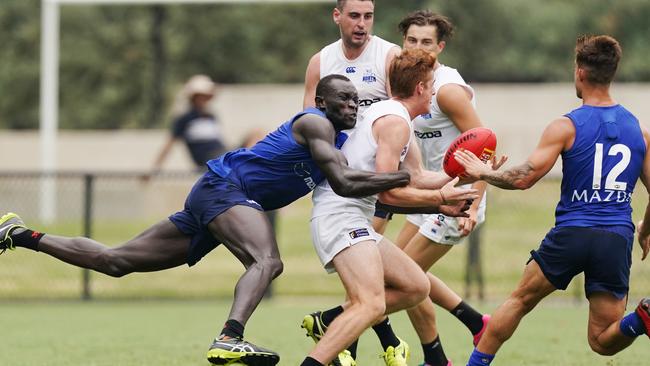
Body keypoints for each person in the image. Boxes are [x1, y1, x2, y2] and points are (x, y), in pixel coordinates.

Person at [0, 75, 435, 366]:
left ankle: (19, 234)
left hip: (219, 196)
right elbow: (343, 181)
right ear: (322, 101)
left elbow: (362, 183)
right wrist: (407, 175)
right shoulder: (315, 123)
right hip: (227, 190)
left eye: (357, 101)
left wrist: (432, 199)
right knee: (267, 261)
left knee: (117, 261)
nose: (352, 107)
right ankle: (230, 337)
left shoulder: (339, 137)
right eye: (344, 99)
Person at [453, 35, 650, 366]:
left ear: (580, 73)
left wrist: (482, 171)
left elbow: (525, 177)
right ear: (612, 72)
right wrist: (644, 232)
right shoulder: (640, 132)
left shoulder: (566, 125)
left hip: (572, 234)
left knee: (519, 301)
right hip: (616, 238)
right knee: (603, 340)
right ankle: (641, 319)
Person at [300, 48, 480, 366]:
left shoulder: (396, 118)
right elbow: (389, 195)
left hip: (352, 217)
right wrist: (441, 201)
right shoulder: (395, 123)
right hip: (340, 216)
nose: (435, 93)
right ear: (421, 89)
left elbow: (418, 176)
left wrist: (465, 174)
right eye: (432, 86)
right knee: (369, 304)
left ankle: (332, 321)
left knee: (415, 286)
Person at [386, 11, 489, 366]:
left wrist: (474, 205)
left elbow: (486, 146)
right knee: (398, 273)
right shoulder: (404, 78)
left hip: (457, 197)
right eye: (412, 40)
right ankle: (473, 324)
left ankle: (337, 323)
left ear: (440, 47)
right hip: (430, 194)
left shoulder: (446, 91)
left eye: (426, 42)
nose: (418, 47)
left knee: (403, 280)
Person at [303, 0, 399, 113]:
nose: (362, 24)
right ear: (337, 16)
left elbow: (400, 116)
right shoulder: (318, 63)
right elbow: (309, 120)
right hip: (332, 131)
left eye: (368, 16)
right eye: (354, 16)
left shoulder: (391, 56)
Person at [149, 74, 227, 175]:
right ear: (194, 97)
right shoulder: (185, 118)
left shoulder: (211, 117)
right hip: (209, 161)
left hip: (223, 154)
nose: (204, 100)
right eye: (201, 96)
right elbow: (169, 145)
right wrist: (154, 170)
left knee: (254, 134)